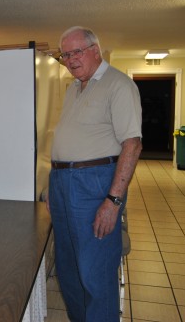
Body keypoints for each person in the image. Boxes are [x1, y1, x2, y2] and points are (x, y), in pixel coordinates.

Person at [48, 26, 142, 321]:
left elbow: (132, 144)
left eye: (76, 52)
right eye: (65, 54)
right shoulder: (74, 88)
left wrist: (113, 201)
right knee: (69, 270)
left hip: (93, 185)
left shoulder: (119, 85)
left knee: (95, 273)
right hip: (63, 184)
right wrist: (53, 189)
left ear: (95, 50)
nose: (70, 59)